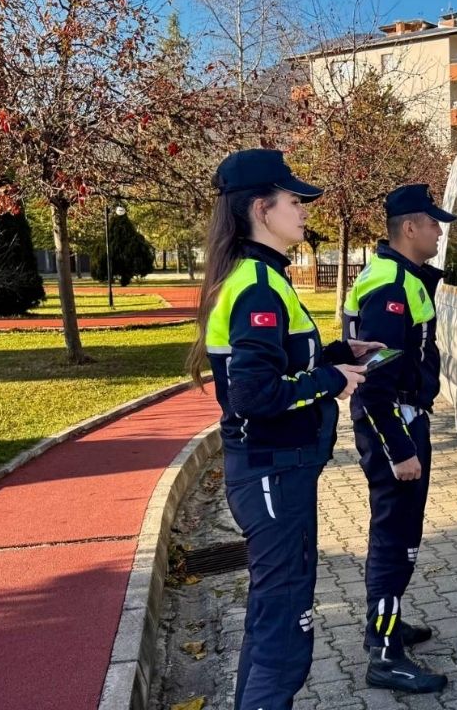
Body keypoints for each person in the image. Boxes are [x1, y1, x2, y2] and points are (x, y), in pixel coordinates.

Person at [185, 148, 380, 710]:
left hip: (278, 469)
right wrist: (330, 381)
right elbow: (254, 395)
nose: (304, 210)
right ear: (261, 209)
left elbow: (278, 365)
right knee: (285, 627)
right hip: (272, 470)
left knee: (274, 614)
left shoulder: (261, 277)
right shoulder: (257, 286)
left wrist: (338, 355)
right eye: (294, 200)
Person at [343, 184, 453, 693]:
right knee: (396, 539)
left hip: (403, 418)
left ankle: (385, 624)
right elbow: (374, 383)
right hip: (396, 425)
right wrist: (401, 449)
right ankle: (385, 653)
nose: (439, 232)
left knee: (398, 534)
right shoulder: (390, 286)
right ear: (409, 228)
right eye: (433, 223)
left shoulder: (399, 276)